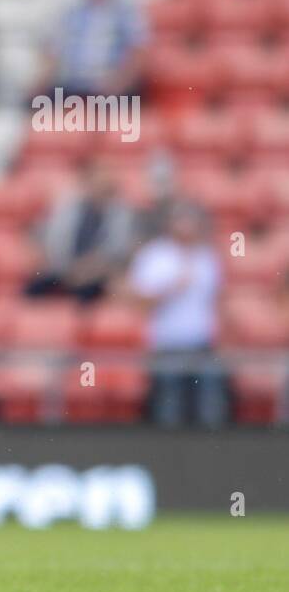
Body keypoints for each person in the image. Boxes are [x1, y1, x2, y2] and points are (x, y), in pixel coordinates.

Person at [127, 202, 227, 427]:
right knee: (168, 406)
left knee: (209, 406)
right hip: (167, 344)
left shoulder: (207, 256)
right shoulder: (154, 255)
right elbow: (139, 301)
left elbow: (215, 300)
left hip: (202, 344)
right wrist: (171, 289)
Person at [32, 0, 147, 100]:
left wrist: (119, 81)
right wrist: (42, 79)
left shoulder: (124, 11)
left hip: (111, 84)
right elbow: (53, 49)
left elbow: (139, 50)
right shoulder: (73, 11)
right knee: (37, 100)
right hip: (75, 84)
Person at [26, 159, 136, 303]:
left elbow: (116, 250)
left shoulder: (120, 213)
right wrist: (68, 269)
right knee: (32, 291)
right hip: (66, 270)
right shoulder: (70, 208)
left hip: (98, 275)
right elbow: (53, 242)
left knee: (88, 295)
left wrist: (88, 269)